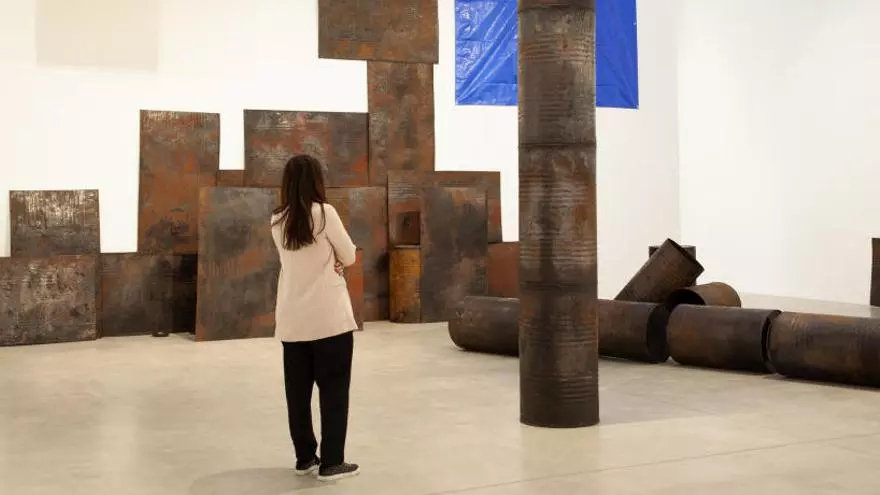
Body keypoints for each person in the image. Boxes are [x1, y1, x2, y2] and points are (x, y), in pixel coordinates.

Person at [270, 154, 360, 482]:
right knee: (333, 392)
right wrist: (336, 259)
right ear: (316, 181)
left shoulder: (277, 220)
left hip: (292, 320)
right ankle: (332, 462)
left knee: (297, 394)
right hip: (329, 318)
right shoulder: (324, 213)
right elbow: (349, 255)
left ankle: (305, 457)